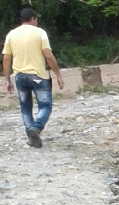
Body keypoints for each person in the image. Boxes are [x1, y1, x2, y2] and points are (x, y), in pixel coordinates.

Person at [2, 7, 64, 148]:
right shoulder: (40, 32)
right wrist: (58, 74)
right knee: (45, 106)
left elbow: (6, 58)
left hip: (20, 77)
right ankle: (36, 128)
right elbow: (48, 55)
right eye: (37, 19)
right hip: (38, 76)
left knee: (25, 107)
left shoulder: (11, 34)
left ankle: (31, 136)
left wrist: (7, 80)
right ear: (34, 19)